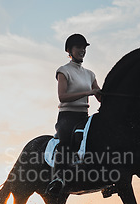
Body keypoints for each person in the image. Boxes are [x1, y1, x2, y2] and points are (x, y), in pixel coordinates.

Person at [46, 33, 102, 195]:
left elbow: (98, 95)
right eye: (79, 47)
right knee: (65, 142)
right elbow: (62, 96)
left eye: (84, 48)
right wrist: (89, 92)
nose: (82, 50)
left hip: (84, 117)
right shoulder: (63, 71)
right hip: (67, 117)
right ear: (69, 50)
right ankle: (58, 178)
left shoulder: (90, 74)